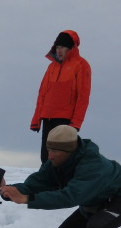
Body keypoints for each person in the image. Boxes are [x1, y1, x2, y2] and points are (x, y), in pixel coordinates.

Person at [30, 30, 91, 163]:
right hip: (47, 118)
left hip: (65, 121)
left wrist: (76, 123)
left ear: (71, 48)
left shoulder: (81, 65)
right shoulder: (52, 67)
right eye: (57, 47)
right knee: (46, 158)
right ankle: (45, 183)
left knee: (62, 160)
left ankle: (62, 184)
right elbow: (42, 94)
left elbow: (83, 97)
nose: (59, 50)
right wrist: (36, 119)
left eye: (62, 47)